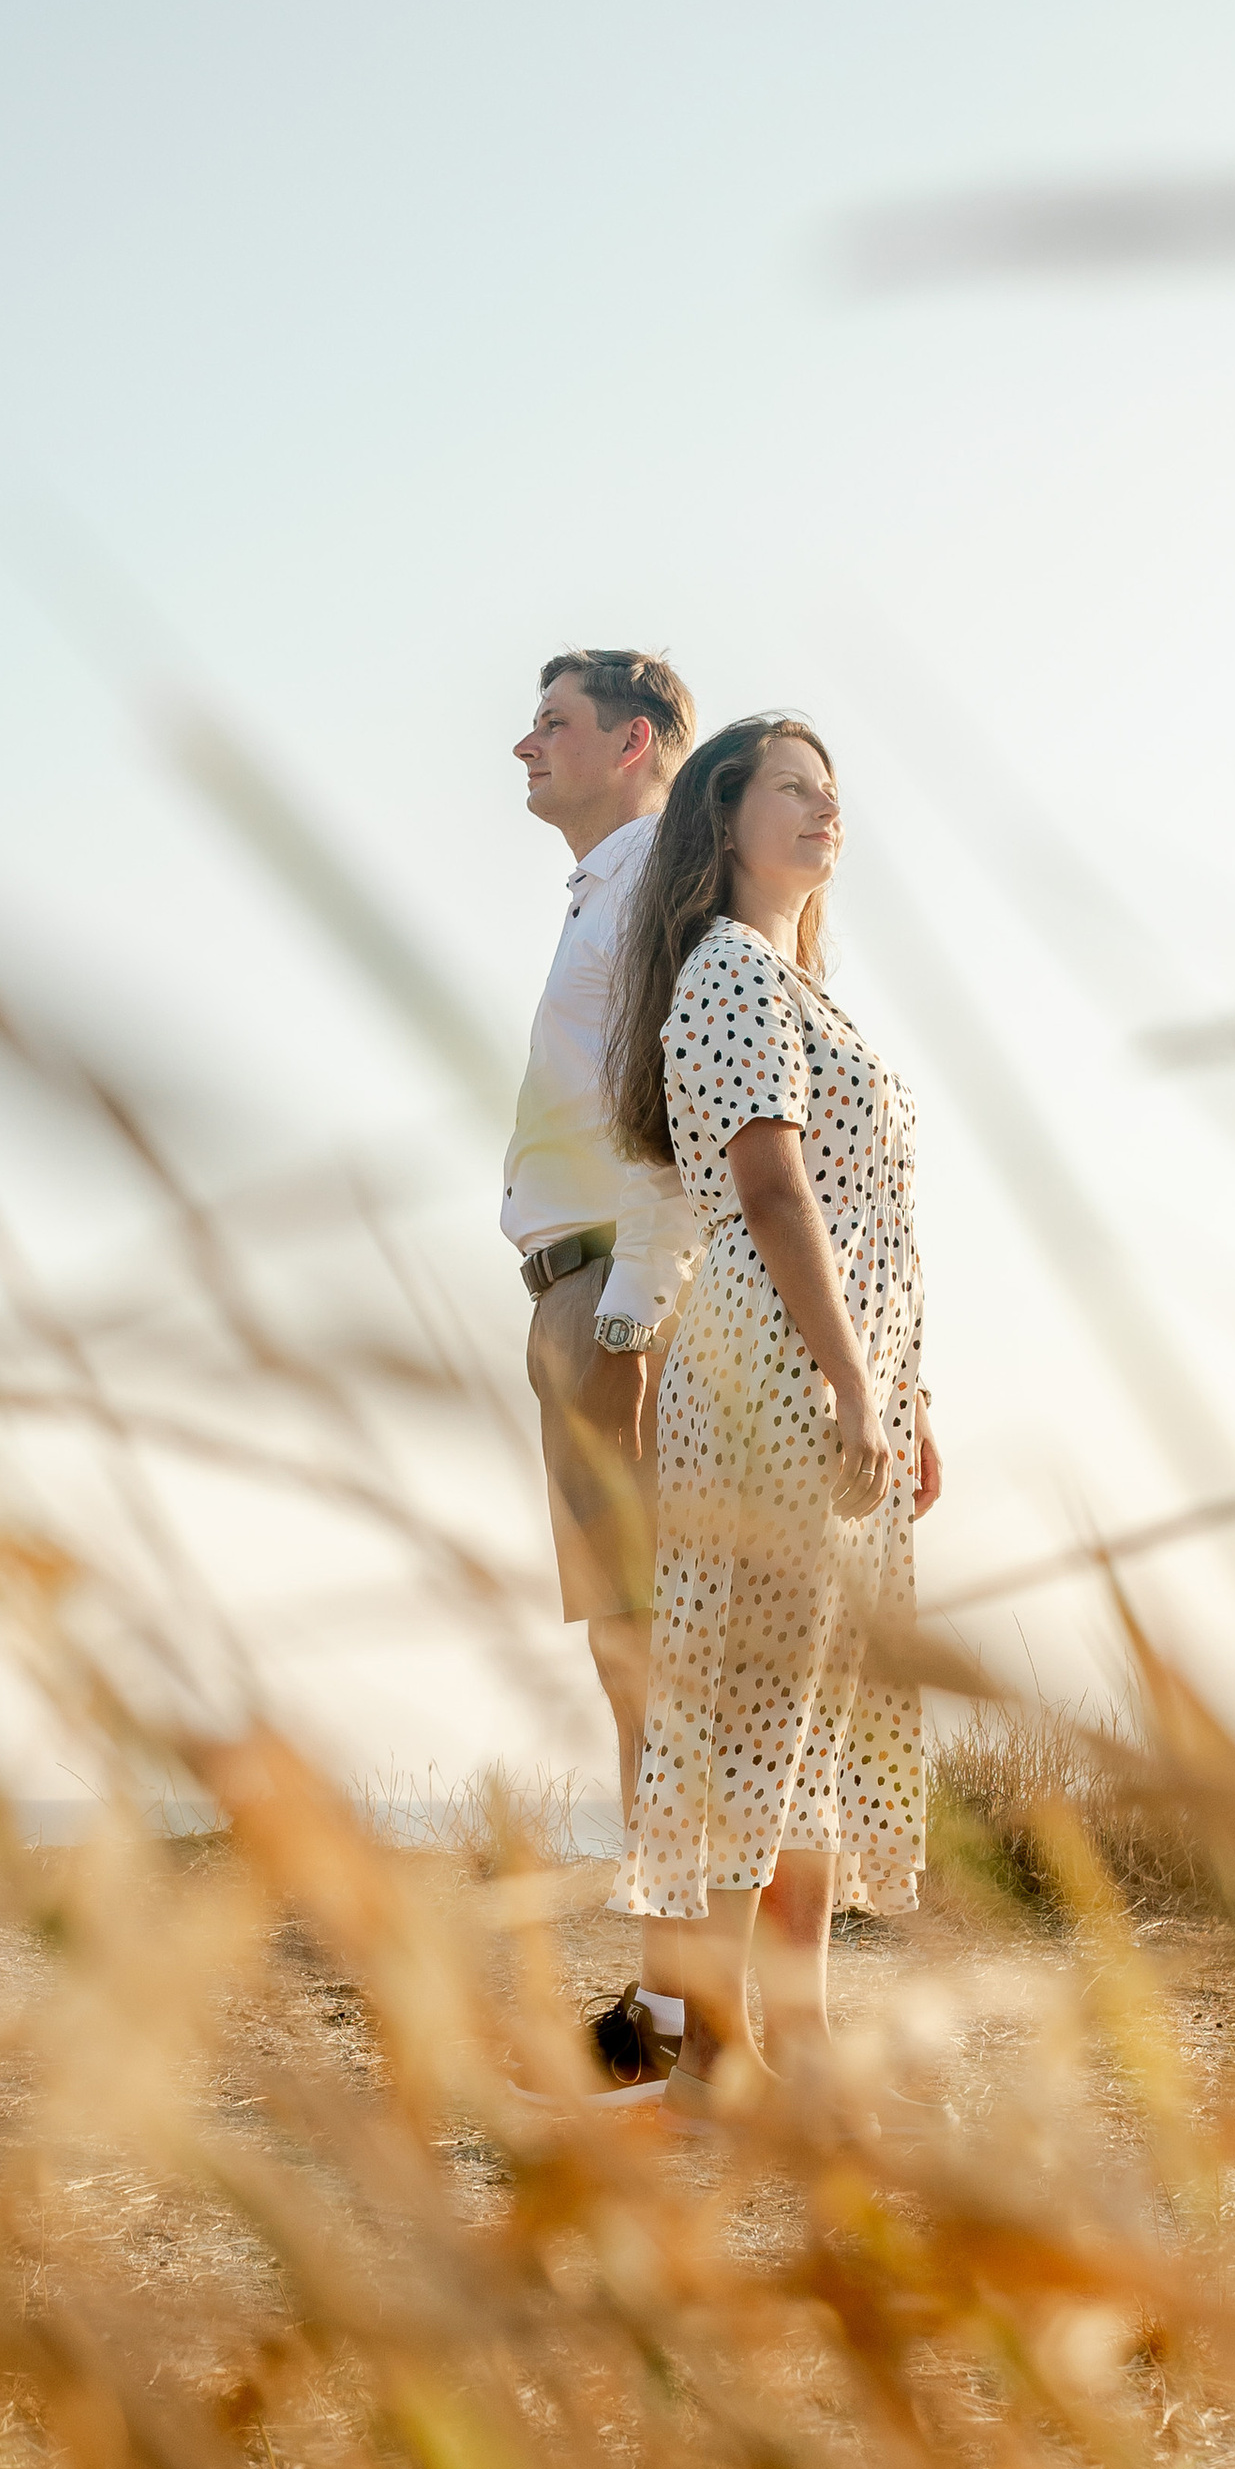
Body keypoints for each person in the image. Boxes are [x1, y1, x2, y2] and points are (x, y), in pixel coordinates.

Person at [601, 711, 942, 2098]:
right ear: (723, 824)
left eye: (833, 791)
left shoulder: (798, 989)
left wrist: (906, 1396)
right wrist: (857, 1380)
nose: (823, 809)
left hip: (833, 1385)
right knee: (756, 1724)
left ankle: (794, 2050)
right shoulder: (731, 976)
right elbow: (774, 1192)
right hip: (772, 1389)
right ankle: (719, 2065)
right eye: (792, 789)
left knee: (806, 1730)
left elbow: (865, 1223)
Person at [503, 647, 700, 2092]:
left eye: (555, 724)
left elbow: (667, 1122)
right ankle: (668, 1996)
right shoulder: (609, 896)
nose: (524, 746)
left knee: (654, 1656)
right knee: (635, 1659)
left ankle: (685, 2014)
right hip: (577, 1299)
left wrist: (629, 1324)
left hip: (616, 1305)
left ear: (636, 744)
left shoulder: (648, 896)